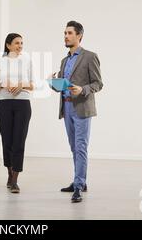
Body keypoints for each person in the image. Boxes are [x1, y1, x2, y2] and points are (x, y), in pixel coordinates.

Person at [53, 21, 103, 203]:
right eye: (64, 33)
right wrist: (54, 82)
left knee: (81, 147)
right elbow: (61, 86)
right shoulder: (64, 60)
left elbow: (98, 84)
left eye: (69, 33)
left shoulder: (90, 57)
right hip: (66, 107)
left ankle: (79, 186)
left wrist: (82, 89)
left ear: (79, 36)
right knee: (74, 147)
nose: (66, 36)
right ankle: (79, 181)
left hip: (82, 107)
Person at [0, 33, 34, 194]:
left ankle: (15, 180)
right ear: (8, 45)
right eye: (17, 43)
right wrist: (3, 84)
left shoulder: (26, 60)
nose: (20, 46)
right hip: (4, 103)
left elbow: (33, 84)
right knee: (7, 141)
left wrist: (21, 85)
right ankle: (9, 174)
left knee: (19, 141)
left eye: (22, 43)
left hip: (23, 104)